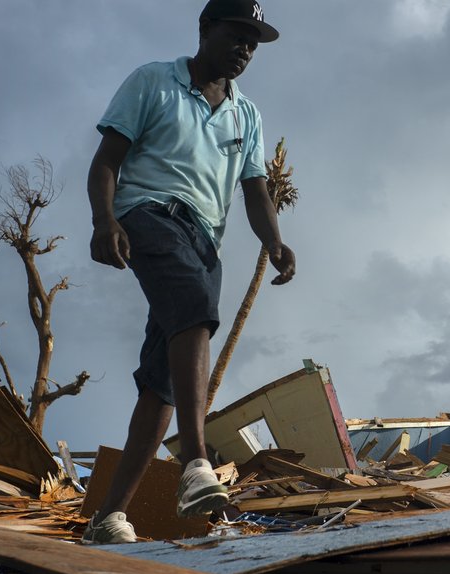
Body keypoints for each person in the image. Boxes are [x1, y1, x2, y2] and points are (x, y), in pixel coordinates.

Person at [83, 0, 295, 544]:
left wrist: (274, 241)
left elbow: (254, 190)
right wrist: (104, 220)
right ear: (205, 29)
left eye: (255, 42)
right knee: (195, 313)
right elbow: (107, 159)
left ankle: (107, 518)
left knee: (161, 385)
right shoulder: (154, 81)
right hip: (149, 214)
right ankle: (196, 462)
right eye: (238, 34)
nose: (246, 48)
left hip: (206, 241)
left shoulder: (246, 114)